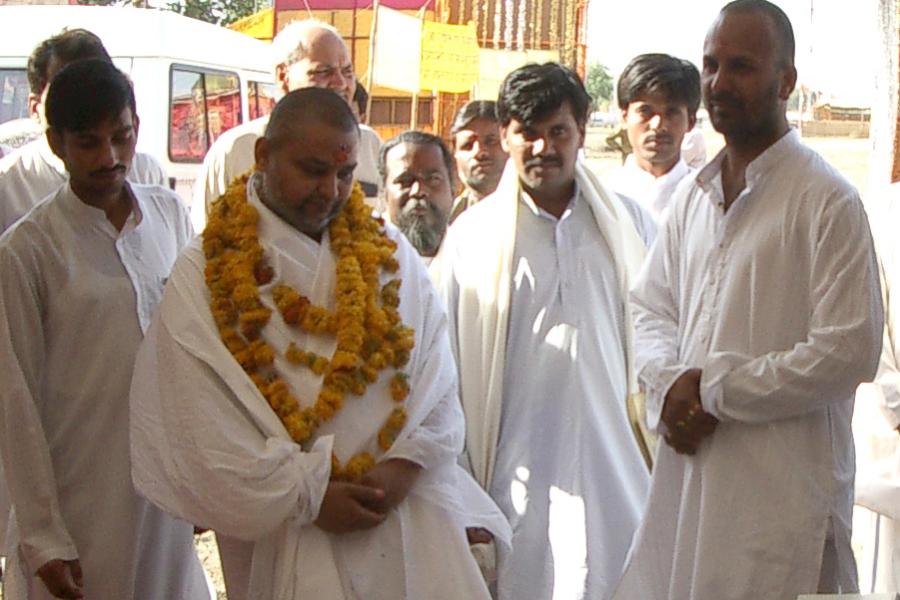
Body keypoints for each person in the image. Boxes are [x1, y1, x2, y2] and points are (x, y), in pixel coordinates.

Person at [129, 87, 509, 600]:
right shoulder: (205, 271)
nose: (331, 190)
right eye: (312, 170)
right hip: (281, 529)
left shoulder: (386, 248)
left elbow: (436, 375)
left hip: (399, 516)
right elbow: (194, 419)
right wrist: (307, 494)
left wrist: (403, 467)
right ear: (264, 156)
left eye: (346, 173)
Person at [612, 2, 883, 598]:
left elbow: (849, 350)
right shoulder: (694, 198)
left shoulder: (827, 201)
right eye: (710, 65)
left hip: (780, 505)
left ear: (786, 81)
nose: (718, 83)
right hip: (691, 489)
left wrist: (714, 391)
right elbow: (650, 307)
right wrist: (669, 383)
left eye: (741, 66)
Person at [436, 62, 655, 600]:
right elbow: (444, 372)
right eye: (527, 132)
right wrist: (463, 494)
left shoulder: (631, 225)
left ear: (582, 130)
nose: (542, 147)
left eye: (557, 131)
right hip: (515, 477)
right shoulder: (470, 239)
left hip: (619, 474)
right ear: (506, 135)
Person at [0, 59, 208, 600]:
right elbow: (13, 398)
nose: (110, 158)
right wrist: (44, 535)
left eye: (122, 137)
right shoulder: (27, 250)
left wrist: (204, 474)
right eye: (88, 143)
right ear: (56, 143)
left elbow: (197, 350)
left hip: (163, 489)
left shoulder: (168, 217)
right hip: (78, 490)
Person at [192, 19, 383, 229]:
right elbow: (207, 240)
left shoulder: (370, 145)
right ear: (283, 75)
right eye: (323, 72)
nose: (341, 84)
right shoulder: (236, 149)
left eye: (347, 72)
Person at [0, 28, 166, 234]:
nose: (108, 159)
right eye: (70, 92)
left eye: (102, 86)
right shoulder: (8, 186)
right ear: (36, 107)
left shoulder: (149, 176)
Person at [606, 53, 701, 224]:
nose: (657, 124)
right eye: (645, 111)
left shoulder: (707, 199)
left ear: (691, 121)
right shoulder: (603, 196)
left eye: (671, 112)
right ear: (625, 117)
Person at [379, 130, 455, 262]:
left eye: (433, 179)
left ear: (453, 188)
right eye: (404, 181)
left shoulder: (473, 253)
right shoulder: (360, 251)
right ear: (384, 191)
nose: (418, 191)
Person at [448, 100, 508, 223]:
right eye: (468, 145)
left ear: (509, 143)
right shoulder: (447, 222)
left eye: (491, 141)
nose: (479, 152)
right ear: (455, 152)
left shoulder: (541, 213)